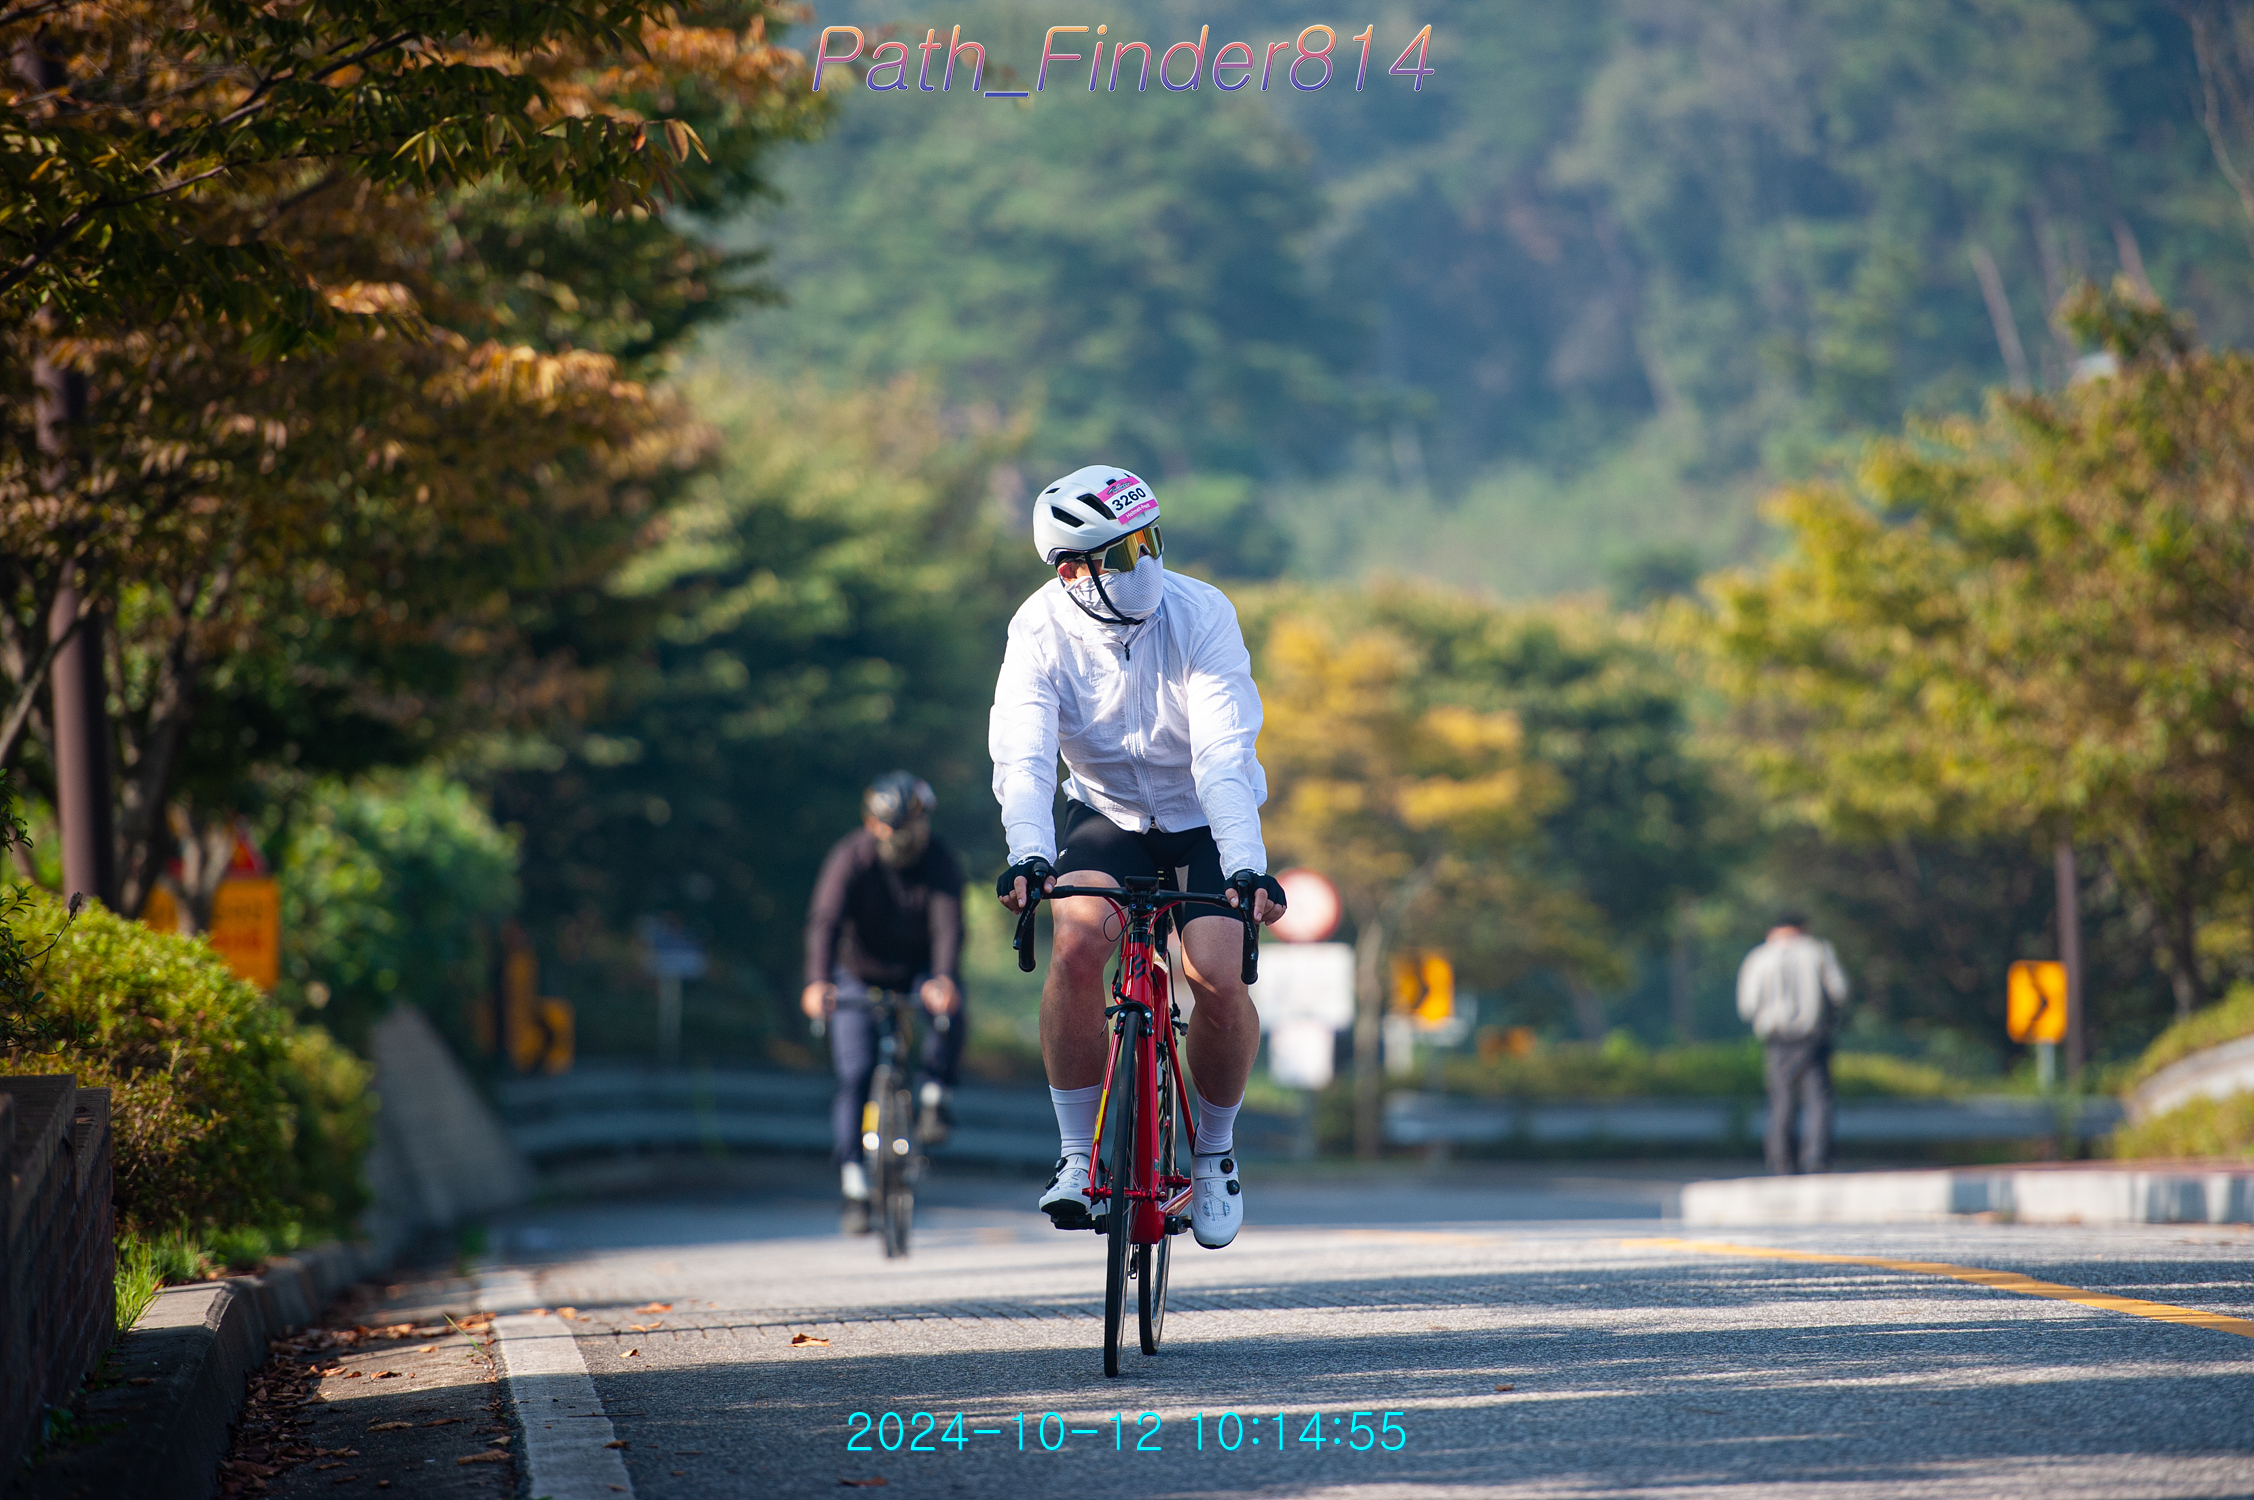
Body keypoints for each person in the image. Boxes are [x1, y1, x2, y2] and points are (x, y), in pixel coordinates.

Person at [990, 465, 1286, 1251]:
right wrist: (1029, 854)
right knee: (1076, 943)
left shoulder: (1202, 611)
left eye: (1151, 540)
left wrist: (1245, 863)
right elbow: (1023, 757)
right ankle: (1076, 1155)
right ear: (1070, 571)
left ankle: (1214, 1154)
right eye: (1123, 553)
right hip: (1107, 816)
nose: (1146, 562)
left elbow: (1223, 754)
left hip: (1202, 819)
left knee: (1215, 973)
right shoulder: (1037, 630)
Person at [802, 772, 966, 1233]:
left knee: (950, 1005)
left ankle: (935, 1094)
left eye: (916, 826)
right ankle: (854, 1183)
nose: (907, 838)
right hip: (856, 974)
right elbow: (824, 921)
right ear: (875, 826)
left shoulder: (939, 860)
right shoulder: (849, 857)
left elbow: (948, 928)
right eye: (897, 828)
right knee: (854, 1074)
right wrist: (817, 982)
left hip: (918, 970)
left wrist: (943, 978)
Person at [1736, 912, 1850, 1175]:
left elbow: (1747, 1005)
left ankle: (1781, 1162)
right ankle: (1817, 1160)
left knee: (1781, 1100)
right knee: (1818, 1099)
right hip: (1813, 1037)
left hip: (1776, 1039)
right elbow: (1840, 991)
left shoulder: (1759, 957)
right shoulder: (1818, 951)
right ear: (1803, 928)